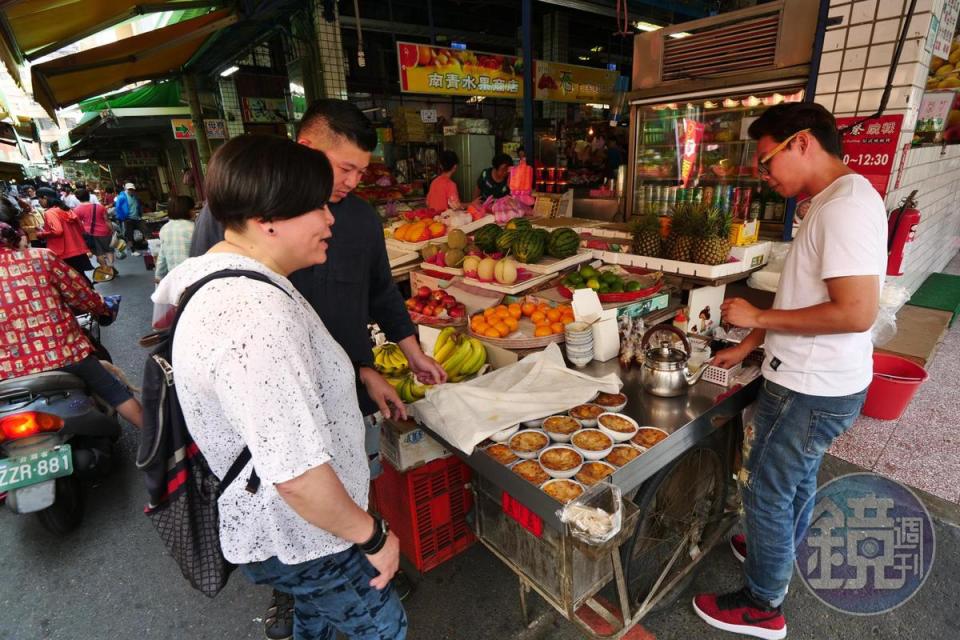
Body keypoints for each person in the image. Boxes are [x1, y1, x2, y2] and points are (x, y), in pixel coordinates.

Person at [190, 99, 445, 640]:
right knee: (378, 624)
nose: (336, 210)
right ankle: (311, 584)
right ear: (265, 220)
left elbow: (375, 294)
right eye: (342, 171)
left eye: (360, 172)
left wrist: (371, 365)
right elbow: (296, 474)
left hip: (326, 429)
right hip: (292, 506)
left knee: (324, 605)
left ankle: (313, 594)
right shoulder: (250, 306)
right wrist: (375, 536)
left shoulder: (325, 237)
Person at [692, 103, 886, 640]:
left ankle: (762, 604)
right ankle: (774, 547)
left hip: (811, 388)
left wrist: (756, 316)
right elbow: (803, 293)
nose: (763, 173)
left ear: (801, 142)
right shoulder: (830, 201)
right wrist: (752, 341)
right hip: (819, 381)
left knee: (764, 492)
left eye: (765, 159)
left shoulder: (843, 207)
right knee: (794, 480)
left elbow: (856, 311)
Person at [0, 212, 143, 429]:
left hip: (5, 374)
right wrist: (103, 308)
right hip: (65, 355)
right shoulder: (41, 257)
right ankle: (165, 449)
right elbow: (82, 295)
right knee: (116, 393)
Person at [35, 187, 93, 280]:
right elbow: (81, 228)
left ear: (45, 197)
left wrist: (42, 234)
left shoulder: (50, 212)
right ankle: (93, 294)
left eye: (39, 199)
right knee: (82, 277)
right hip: (77, 249)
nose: (39, 202)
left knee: (73, 281)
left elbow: (58, 231)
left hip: (63, 252)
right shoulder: (66, 209)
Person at [154, 195, 195, 282]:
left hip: (174, 277)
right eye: (193, 209)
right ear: (187, 211)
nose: (194, 212)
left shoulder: (164, 229)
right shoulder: (193, 228)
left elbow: (162, 255)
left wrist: (159, 276)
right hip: (192, 275)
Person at [74, 189, 114, 272]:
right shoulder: (100, 207)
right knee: (108, 250)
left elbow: (78, 225)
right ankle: (111, 266)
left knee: (98, 253)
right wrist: (112, 230)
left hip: (89, 234)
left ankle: (106, 270)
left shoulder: (77, 210)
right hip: (104, 232)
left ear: (78, 198)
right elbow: (107, 220)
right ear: (89, 196)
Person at [115, 182, 145, 256]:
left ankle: (145, 245)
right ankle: (133, 250)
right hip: (128, 218)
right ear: (126, 189)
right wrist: (123, 218)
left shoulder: (135, 196)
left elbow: (137, 205)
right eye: (129, 189)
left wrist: (140, 213)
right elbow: (118, 208)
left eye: (132, 189)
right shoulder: (122, 197)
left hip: (137, 217)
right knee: (129, 235)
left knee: (144, 230)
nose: (131, 190)